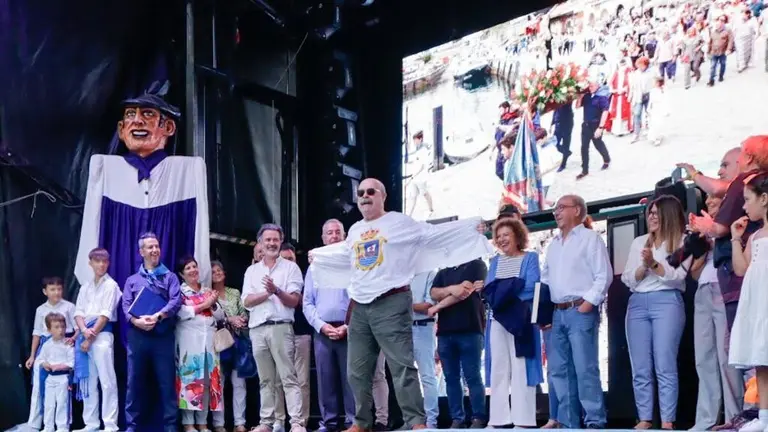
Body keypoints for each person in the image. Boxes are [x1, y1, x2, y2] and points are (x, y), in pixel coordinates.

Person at [309, 177, 493, 432]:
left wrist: (470, 229)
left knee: (401, 366)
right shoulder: (354, 231)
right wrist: (320, 256)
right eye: (360, 192)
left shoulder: (399, 222)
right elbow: (343, 255)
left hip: (391, 300)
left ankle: (416, 422)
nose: (364, 196)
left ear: (383, 196)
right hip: (360, 306)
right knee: (356, 370)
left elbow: (433, 234)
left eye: (370, 191)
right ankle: (361, 422)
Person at [75, 94, 211, 340]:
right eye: (130, 115)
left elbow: (199, 232)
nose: (137, 121)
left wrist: (200, 281)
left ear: (168, 127)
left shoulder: (187, 172)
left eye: (147, 114)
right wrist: (89, 286)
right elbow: (91, 230)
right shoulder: (105, 169)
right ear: (120, 129)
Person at [305, 220, 391, 432]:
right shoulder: (314, 266)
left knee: (352, 379)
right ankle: (329, 423)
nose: (333, 236)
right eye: (329, 233)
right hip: (322, 331)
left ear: (344, 237)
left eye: (337, 233)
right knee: (325, 380)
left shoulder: (355, 264)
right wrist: (321, 325)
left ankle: (354, 422)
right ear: (323, 238)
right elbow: (307, 302)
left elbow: (359, 298)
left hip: (350, 330)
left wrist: (346, 325)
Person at [542, 194, 611, 429]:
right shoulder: (553, 244)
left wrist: (587, 304)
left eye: (562, 207)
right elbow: (546, 279)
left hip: (580, 310)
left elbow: (604, 275)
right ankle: (570, 423)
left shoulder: (590, 238)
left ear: (578, 211)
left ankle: (594, 422)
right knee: (559, 371)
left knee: (585, 369)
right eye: (555, 208)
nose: (556, 212)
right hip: (556, 313)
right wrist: (545, 312)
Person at [621, 195, 689, 430]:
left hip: (667, 302)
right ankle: (645, 418)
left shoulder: (681, 241)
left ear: (668, 215)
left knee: (665, 363)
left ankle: (667, 420)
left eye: (655, 212)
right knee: (640, 365)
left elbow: (677, 277)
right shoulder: (639, 242)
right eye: (649, 212)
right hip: (638, 303)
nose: (650, 216)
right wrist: (644, 266)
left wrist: (654, 265)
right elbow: (628, 279)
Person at [242, 224, 306, 432]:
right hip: (258, 328)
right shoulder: (252, 271)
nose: (271, 243)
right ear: (260, 242)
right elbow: (247, 301)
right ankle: (266, 422)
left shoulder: (291, 268)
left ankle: (296, 422)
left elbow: (294, 301)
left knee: (288, 376)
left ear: (280, 241)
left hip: (281, 327)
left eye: (275, 240)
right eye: (267, 240)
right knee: (265, 379)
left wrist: (276, 290)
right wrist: (267, 293)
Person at [689, 196, 744, 430]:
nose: (709, 204)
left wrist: (717, 237)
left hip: (725, 290)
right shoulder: (703, 233)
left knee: (726, 357)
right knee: (703, 357)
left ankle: (735, 417)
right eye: (708, 201)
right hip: (703, 290)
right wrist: (702, 247)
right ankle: (705, 419)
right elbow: (692, 273)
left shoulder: (732, 228)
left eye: (715, 201)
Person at [485, 219, 543, 428]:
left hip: (521, 318)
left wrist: (504, 292)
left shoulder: (531, 258)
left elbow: (531, 285)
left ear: (517, 236)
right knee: (499, 367)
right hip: (497, 320)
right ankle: (498, 419)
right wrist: (509, 288)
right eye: (498, 236)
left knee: (521, 367)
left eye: (506, 235)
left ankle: (524, 420)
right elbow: (489, 290)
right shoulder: (494, 262)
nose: (501, 240)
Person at [122, 232, 183, 432]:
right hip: (138, 336)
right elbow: (125, 306)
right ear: (141, 252)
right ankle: (132, 426)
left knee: (167, 384)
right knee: (134, 383)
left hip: (162, 337)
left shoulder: (170, 277)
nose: (155, 250)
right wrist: (136, 321)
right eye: (150, 247)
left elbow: (176, 301)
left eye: (157, 246)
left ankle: (171, 427)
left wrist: (158, 316)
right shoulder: (132, 280)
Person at [728, 173, 768, 432]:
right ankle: (765, 418)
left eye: (747, 200)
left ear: (764, 199)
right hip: (759, 306)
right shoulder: (755, 237)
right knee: (762, 360)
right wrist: (735, 237)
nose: (744, 207)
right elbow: (741, 269)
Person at [428, 258, 488, 429]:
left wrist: (438, 306)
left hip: (470, 329)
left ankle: (478, 417)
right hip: (445, 332)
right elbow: (433, 293)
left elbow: (464, 292)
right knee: (451, 378)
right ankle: (457, 418)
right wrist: (453, 289)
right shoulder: (443, 271)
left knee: (472, 376)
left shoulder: (476, 264)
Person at [73, 248, 121, 432]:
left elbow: (106, 314)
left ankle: (110, 424)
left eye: (104, 261)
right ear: (90, 262)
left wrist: (90, 336)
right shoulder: (85, 287)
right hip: (86, 335)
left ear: (108, 263)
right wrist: (84, 331)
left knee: (107, 381)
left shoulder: (111, 285)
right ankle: (91, 423)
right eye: (97, 261)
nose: (101, 265)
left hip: (102, 337)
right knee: (88, 380)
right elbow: (78, 312)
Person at [175, 255, 224, 432]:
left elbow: (219, 317)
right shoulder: (179, 292)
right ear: (182, 274)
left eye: (194, 266)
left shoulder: (206, 290)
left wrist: (213, 304)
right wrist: (205, 304)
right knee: (190, 381)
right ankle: (188, 423)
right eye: (188, 268)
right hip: (189, 341)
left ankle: (203, 423)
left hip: (209, 342)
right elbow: (180, 313)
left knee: (206, 381)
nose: (193, 270)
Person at [25, 277, 76, 431]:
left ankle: (62, 425)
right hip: (45, 348)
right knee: (39, 387)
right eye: (52, 289)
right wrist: (33, 355)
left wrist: (72, 339)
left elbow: (77, 327)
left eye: (59, 289)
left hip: (63, 345)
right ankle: (36, 423)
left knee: (61, 395)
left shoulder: (69, 307)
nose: (56, 292)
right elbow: (37, 333)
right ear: (45, 291)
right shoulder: (41, 310)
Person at [275, 242, 314, 432]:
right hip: (280, 335)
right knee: (278, 380)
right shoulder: (273, 279)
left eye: (291, 259)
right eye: (284, 259)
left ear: (296, 260)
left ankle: (301, 422)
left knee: (302, 381)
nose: (288, 263)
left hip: (301, 334)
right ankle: (279, 422)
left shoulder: (304, 278)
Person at [211, 260, 250, 432]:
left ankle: (239, 423)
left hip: (237, 343)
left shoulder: (234, 292)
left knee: (239, 383)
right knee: (218, 384)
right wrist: (228, 320)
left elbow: (243, 312)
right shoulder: (208, 295)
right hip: (218, 343)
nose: (218, 273)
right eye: (213, 271)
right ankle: (219, 424)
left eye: (220, 270)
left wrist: (241, 320)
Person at [410, 270, 440, 429]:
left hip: (423, 326)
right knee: (405, 376)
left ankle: (431, 422)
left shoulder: (430, 273)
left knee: (427, 376)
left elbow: (428, 305)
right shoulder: (399, 274)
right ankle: (413, 421)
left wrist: (401, 305)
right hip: (401, 330)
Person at [37, 312, 75, 432]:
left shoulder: (68, 345)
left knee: (62, 404)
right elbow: (41, 358)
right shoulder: (47, 345)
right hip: (50, 379)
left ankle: (62, 427)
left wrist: (58, 367)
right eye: (57, 327)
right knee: (49, 404)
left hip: (63, 379)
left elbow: (72, 363)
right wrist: (45, 364)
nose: (61, 330)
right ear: (49, 330)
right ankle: (48, 427)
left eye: (63, 327)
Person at [575, 76, 611, 180]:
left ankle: (606, 159)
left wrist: (600, 127)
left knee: (598, 144)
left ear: (598, 86)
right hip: (585, 125)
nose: (590, 87)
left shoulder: (602, 97)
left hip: (596, 125)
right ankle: (584, 170)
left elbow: (605, 112)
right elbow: (577, 107)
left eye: (592, 86)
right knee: (584, 148)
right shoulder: (586, 96)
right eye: (589, 86)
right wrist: (580, 97)